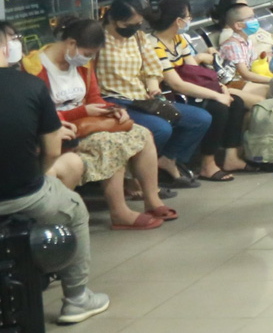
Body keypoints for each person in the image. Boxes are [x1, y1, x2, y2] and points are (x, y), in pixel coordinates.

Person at [0, 17, 107, 323]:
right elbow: (53, 149)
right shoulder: (30, 86)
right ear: (5, 47)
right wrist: (39, 176)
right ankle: (76, 298)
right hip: (25, 194)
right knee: (75, 211)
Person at [24, 17, 169, 230]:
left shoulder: (81, 64)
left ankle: (152, 199)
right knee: (110, 142)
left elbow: (94, 98)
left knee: (143, 133)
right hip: (59, 130)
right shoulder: (33, 69)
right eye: (88, 54)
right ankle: (119, 212)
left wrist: (111, 110)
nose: (88, 60)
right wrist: (81, 111)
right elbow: (40, 115)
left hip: (87, 123)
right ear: (71, 44)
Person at [98, 0, 211, 188]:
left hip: (143, 98)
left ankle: (168, 160)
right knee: (160, 129)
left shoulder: (139, 38)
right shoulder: (99, 41)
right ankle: (137, 176)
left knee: (200, 118)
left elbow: (152, 68)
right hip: (114, 100)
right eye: (130, 24)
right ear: (116, 21)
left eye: (138, 24)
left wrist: (152, 85)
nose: (134, 28)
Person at [149, 0, 250, 180]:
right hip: (174, 95)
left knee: (235, 102)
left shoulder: (179, 40)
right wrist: (216, 96)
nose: (190, 20)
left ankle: (230, 157)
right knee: (218, 108)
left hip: (190, 91)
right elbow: (175, 83)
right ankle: (207, 164)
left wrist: (220, 88)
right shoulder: (154, 45)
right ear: (178, 21)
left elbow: (196, 73)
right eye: (188, 17)